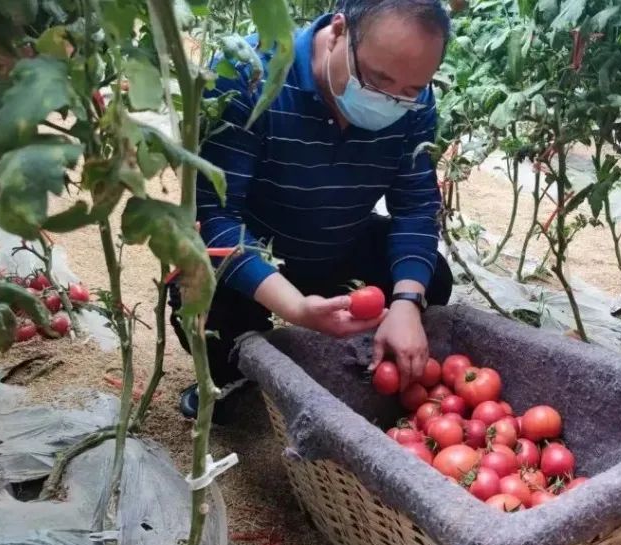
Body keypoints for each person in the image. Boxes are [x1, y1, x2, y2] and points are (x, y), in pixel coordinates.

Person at [168, 0, 454, 420]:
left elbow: (416, 206)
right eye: (378, 80)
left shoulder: (415, 103)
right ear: (339, 31)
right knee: (198, 293)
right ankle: (232, 373)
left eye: (410, 91)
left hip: (340, 240)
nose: (392, 99)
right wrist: (294, 309)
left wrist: (407, 302)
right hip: (257, 248)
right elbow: (215, 216)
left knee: (432, 279)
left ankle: (356, 362)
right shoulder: (248, 76)